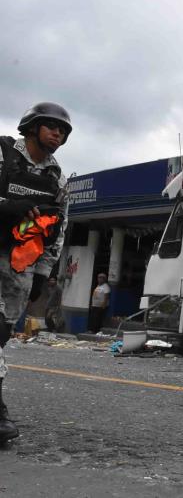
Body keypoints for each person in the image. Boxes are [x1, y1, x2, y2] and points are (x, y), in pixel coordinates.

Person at [0, 102, 71, 443]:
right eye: (52, 127)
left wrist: (44, 271)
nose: (58, 133)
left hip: (19, 268)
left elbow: (58, 227)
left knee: (1, 335)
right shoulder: (2, 154)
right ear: (32, 127)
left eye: (63, 131)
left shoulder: (56, 177)